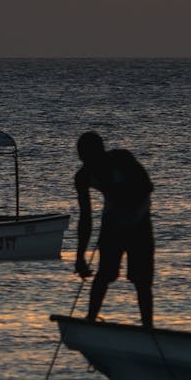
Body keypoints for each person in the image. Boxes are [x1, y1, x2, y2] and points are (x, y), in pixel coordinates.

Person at [74, 131, 154, 328]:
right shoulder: (83, 176)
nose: (88, 163)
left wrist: (123, 202)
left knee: (141, 280)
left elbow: (147, 187)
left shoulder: (122, 159)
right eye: (83, 158)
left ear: (101, 152)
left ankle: (148, 328)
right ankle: (91, 319)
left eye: (90, 157)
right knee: (105, 274)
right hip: (113, 223)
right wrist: (79, 256)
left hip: (139, 221)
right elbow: (86, 218)